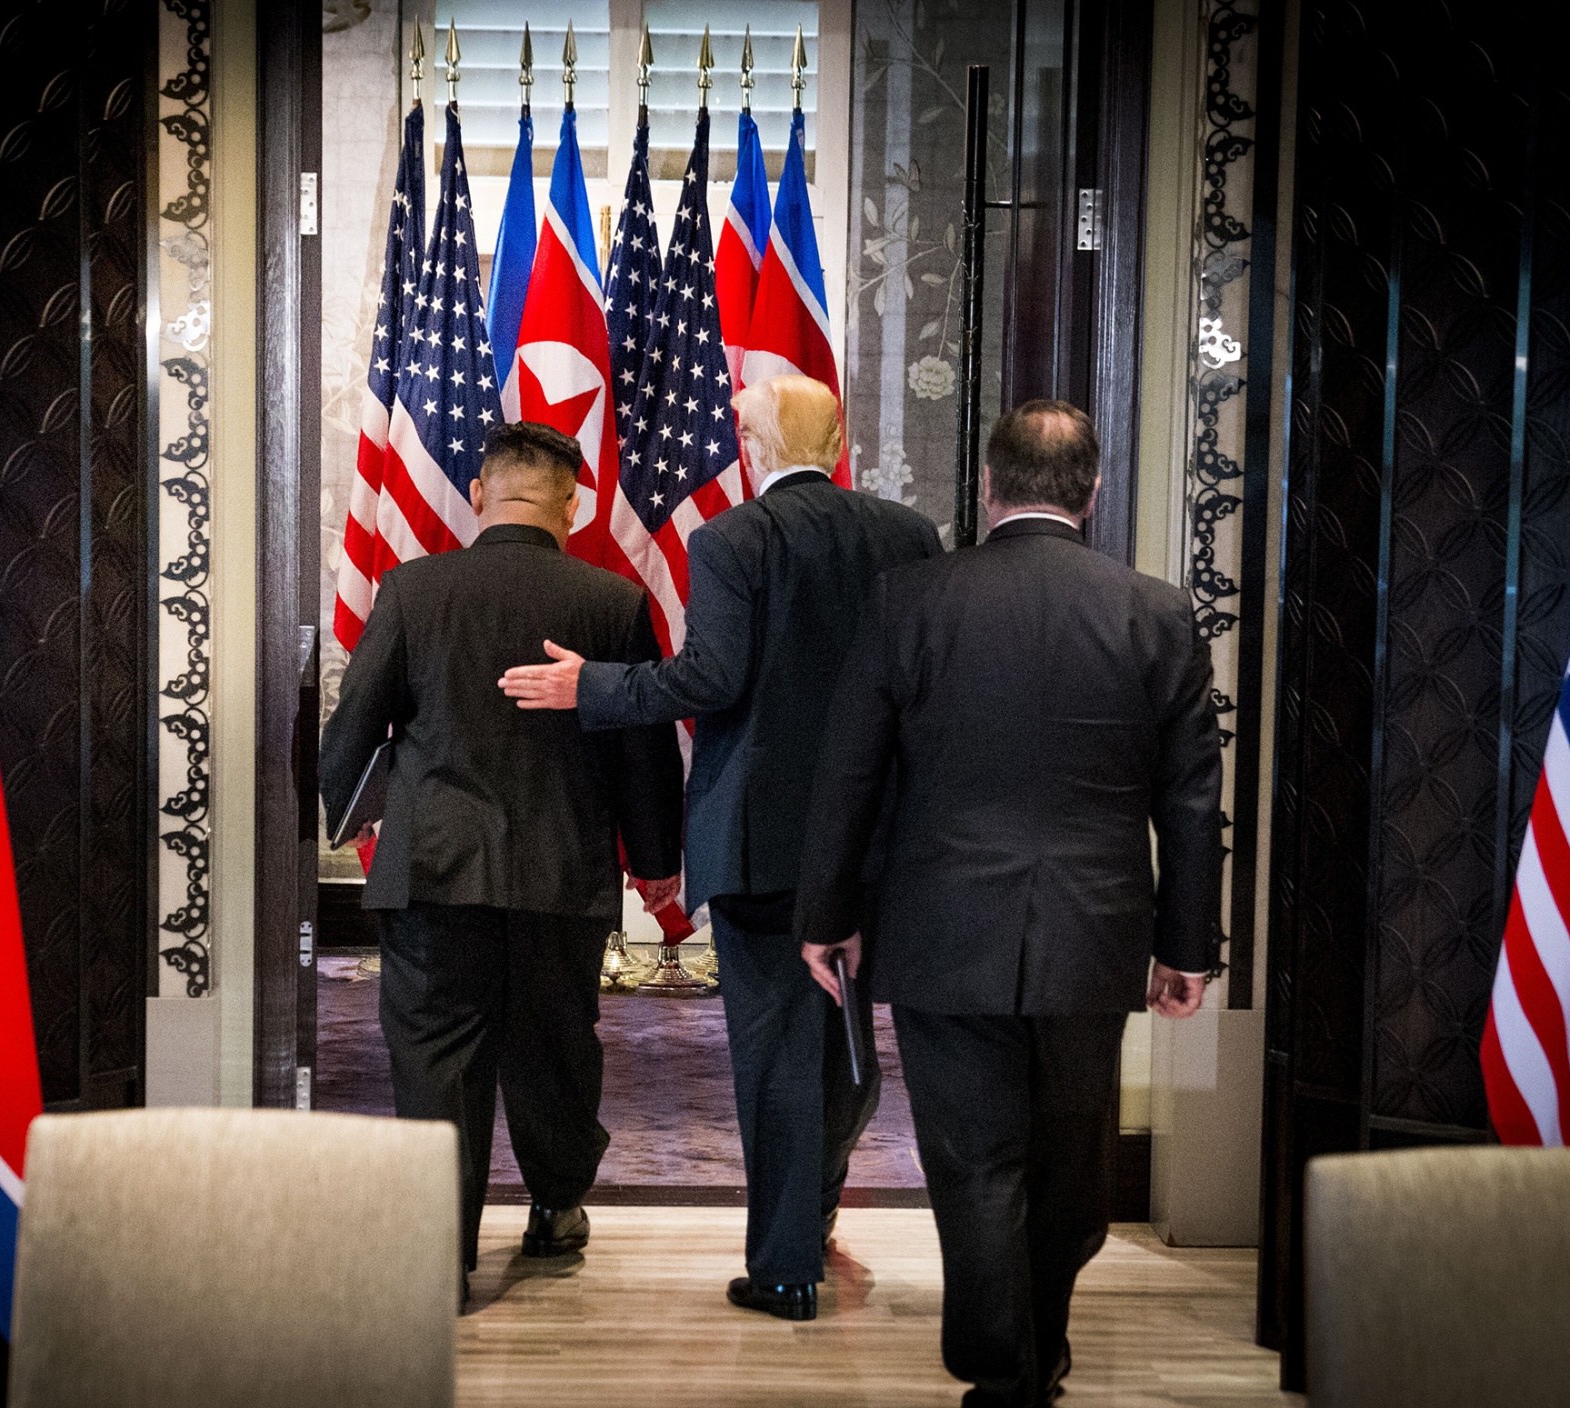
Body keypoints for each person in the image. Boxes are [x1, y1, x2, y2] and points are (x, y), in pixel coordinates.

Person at [792, 400, 1219, 1406]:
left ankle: (1000, 1370)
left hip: (942, 934)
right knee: (1069, 1164)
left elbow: (848, 774)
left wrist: (825, 916)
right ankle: (1028, 1362)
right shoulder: (1156, 612)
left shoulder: (909, 599)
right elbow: (1191, 801)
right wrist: (1186, 946)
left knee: (974, 1160)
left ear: (988, 487)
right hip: (1094, 936)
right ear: (1092, 490)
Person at [499, 375, 941, 1321]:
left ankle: (784, 1269)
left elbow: (711, 678)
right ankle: (815, 1206)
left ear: (758, 447)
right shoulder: (908, 535)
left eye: (742, 431)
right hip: (878, 838)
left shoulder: (733, 538)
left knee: (776, 1054)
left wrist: (593, 687)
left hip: (762, 841)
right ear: (836, 441)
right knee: (848, 1044)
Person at [319, 421, 685, 1301]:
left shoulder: (414, 589)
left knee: (435, 1057)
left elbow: (352, 728)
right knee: (556, 1047)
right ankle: (556, 1210)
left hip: (434, 870)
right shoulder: (612, 601)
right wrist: (656, 860)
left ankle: (440, 1257)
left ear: (480, 494)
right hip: (562, 873)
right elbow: (642, 749)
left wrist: (354, 816)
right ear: (574, 505)